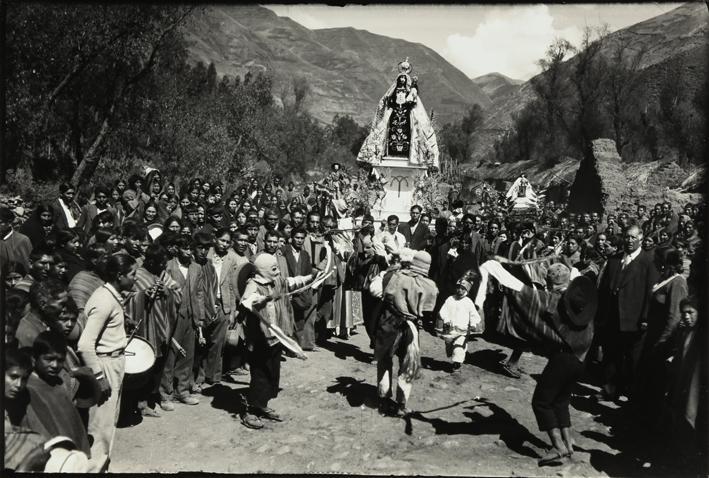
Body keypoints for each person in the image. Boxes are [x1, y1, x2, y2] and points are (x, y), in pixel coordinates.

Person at [477, 260, 597, 466]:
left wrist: (494, 268)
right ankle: (568, 446)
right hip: (580, 359)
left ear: (549, 282)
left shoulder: (552, 300)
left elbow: (523, 291)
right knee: (560, 402)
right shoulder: (582, 301)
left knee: (541, 402)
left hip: (562, 358)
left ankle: (558, 447)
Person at [239, 253, 316, 429]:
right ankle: (250, 411)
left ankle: (262, 404)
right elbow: (246, 302)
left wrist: (311, 277)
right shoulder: (254, 284)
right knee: (260, 375)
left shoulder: (277, 281)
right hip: (259, 340)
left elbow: (292, 282)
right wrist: (260, 299)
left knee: (273, 372)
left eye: (277, 267)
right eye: (273, 268)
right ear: (263, 270)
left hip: (275, 338)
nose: (277, 271)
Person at [77, 253, 138, 472]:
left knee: (108, 424)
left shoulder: (111, 296)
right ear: (119, 275)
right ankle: (95, 468)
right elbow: (85, 344)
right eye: (132, 274)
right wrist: (99, 377)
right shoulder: (103, 300)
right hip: (104, 365)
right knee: (100, 427)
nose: (135, 279)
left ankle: (102, 465)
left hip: (113, 361)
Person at [372, 250, 438, 417]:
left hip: (389, 324)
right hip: (411, 328)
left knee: (385, 361)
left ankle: (384, 399)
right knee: (408, 365)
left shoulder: (394, 277)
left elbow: (378, 293)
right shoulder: (429, 285)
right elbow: (428, 311)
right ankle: (402, 404)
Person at [597, 225, 659, 401]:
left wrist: (645, 317)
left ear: (640, 238)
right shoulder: (615, 259)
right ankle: (608, 389)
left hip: (634, 318)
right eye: (627, 237)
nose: (629, 241)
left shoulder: (648, 262)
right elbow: (604, 288)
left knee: (631, 357)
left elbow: (650, 293)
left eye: (633, 237)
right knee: (611, 354)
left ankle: (629, 392)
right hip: (612, 316)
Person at [24, 331, 91, 457]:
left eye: (60, 360)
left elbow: (73, 422)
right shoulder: (29, 388)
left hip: (72, 454)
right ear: (34, 358)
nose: (55, 365)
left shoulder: (60, 383)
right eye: (48, 359)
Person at [437, 277, 481, 372]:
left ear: (467, 290)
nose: (459, 290)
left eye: (462, 288)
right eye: (458, 288)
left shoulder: (468, 302)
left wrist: (473, 324)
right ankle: (454, 355)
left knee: (458, 347)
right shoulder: (450, 299)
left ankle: (457, 363)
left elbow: (474, 315)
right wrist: (446, 319)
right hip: (449, 328)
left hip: (462, 330)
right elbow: (443, 311)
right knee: (449, 345)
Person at [15, 279, 69, 350]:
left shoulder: (50, 324)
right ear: (42, 304)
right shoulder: (27, 333)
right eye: (62, 304)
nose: (65, 309)